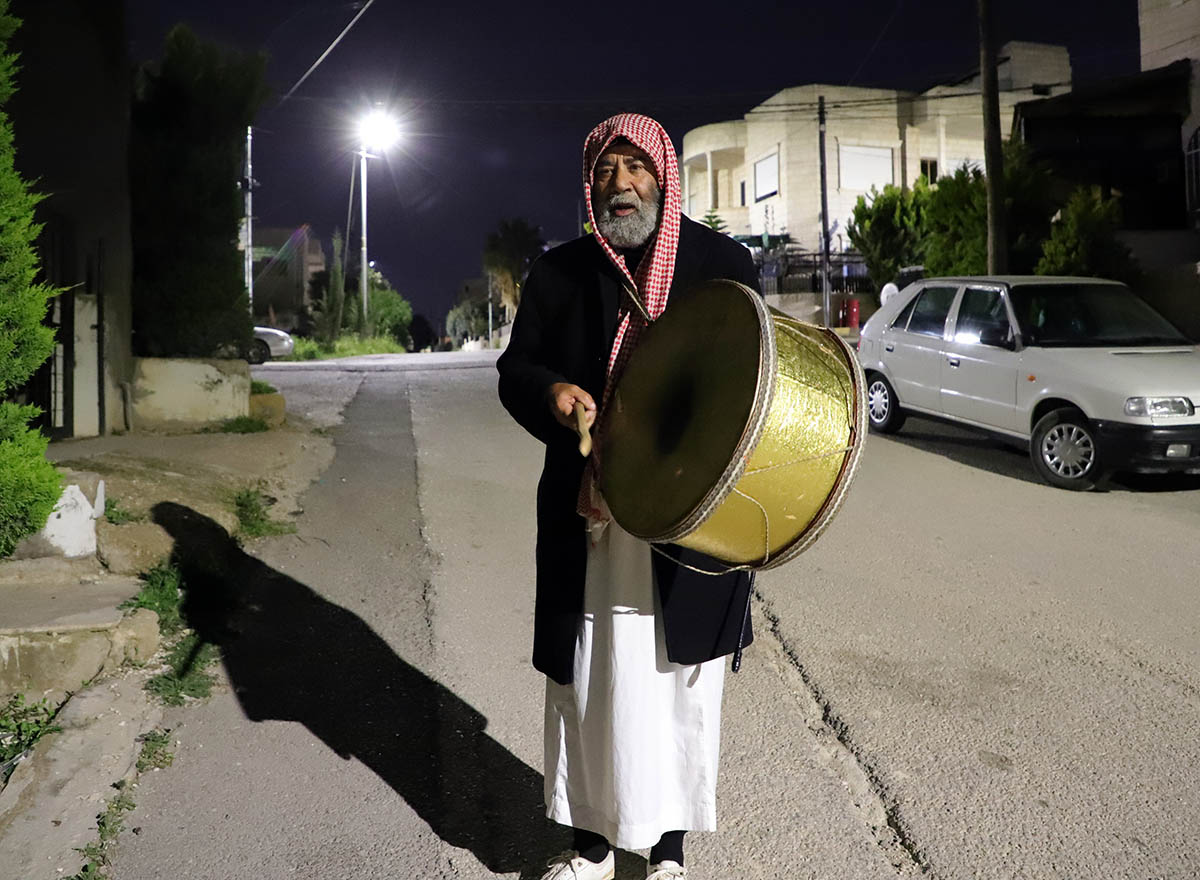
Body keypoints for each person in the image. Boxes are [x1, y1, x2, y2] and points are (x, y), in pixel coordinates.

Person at [497, 113, 761, 880]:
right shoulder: (562, 273)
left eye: (635, 167)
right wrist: (553, 397)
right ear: (590, 185)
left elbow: (751, 374)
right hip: (592, 519)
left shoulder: (722, 264)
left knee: (677, 682)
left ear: (664, 175)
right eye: (606, 171)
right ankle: (591, 845)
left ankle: (669, 852)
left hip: (693, 518)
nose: (621, 185)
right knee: (592, 680)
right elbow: (517, 371)